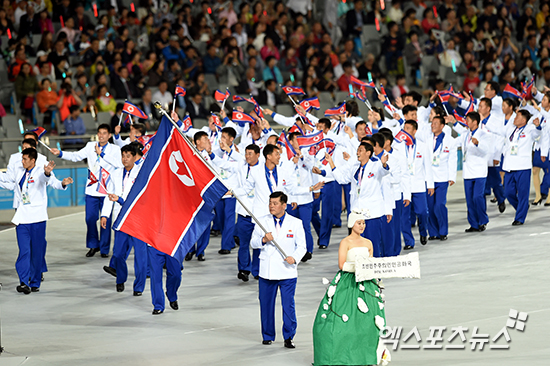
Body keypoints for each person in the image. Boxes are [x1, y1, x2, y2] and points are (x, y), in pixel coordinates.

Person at [312, 211, 388, 366]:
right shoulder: (345, 242)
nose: (362, 226)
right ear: (352, 224)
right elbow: (342, 264)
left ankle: (367, 354)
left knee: (368, 320)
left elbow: (372, 262)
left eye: (363, 223)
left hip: (366, 282)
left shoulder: (368, 243)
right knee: (342, 318)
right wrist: (357, 267)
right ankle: (341, 355)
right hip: (348, 281)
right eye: (359, 223)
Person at [50, 124, 123, 257]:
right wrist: (60, 153)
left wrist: (103, 154)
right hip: (92, 189)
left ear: (109, 135)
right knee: (90, 218)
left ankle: (105, 249)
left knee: (105, 219)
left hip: (107, 190)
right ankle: (93, 245)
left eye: (104, 133)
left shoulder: (115, 149)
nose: (101, 135)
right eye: (99, 132)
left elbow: (119, 164)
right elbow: (76, 156)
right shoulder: (90, 146)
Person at [6, 149, 72, 294]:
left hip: (37, 219)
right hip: (22, 219)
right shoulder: (19, 171)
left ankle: (35, 281)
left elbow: (45, 178)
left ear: (33, 160)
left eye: (25, 159)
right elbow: (11, 184)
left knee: (37, 252)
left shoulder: (40, 171)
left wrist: (48, 173)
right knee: (24, 251)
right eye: (22, 158)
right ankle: (23, 282)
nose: (22, 161)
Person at [250, 191, 307, 348]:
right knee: (266, 304)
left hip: (287, 270)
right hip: (267, 271)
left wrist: (294, 258)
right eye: (270, 203)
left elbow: (302, 246)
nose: (271, 206)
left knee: (288, 305)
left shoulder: (295, 223)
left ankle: (289, 336)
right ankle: (267, 335)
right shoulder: (262, 222)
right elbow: (253, 243)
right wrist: (263, 239)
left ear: (284, 205)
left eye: (275, 204)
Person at [100, 144, 146, 295]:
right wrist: (105, 214)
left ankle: (138, 287)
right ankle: (120, 279)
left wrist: (120, 199)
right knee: (118, 253)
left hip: (138, 218)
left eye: (128, 156)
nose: (125, 159)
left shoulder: (141, 174)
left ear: (134, 157)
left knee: (140, 256)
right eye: (123, 156)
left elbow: (139, 198)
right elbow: (109, 195)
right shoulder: (115, 174)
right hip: (120, 219)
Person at [450, 111, 491, 232]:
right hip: (467, 172)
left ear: (475, 122)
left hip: (479, 171)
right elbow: (455, 142)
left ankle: (483, 221)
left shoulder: (484, 134)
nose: (466, 122)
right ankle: (473, 224)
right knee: (469, 200)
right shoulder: (466, 134)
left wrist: (478, 144)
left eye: (468, 120)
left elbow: (486, 150)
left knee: (478, 197)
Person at [500, 110, 542, 225]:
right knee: (508, 193)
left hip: (523, 167)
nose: (514, 118)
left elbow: (537, 135)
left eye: (517, 116)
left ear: (523, 120)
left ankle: (519, 218)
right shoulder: (510, 129)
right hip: (509, 166)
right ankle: (522, 207)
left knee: (523, 193)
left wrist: (538, 127)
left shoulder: (529, 129)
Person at [427, 116, 457, 241]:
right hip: (429, 178)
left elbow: (453, 159)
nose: (432, 125)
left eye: (435, 123)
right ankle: (433, 232)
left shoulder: (450, 141)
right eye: (432, 123)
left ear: (442, 126)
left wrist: (452, 177)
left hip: (442, 177)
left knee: (439, 205)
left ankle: (443, 231)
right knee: (429, 206)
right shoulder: (426, 139)